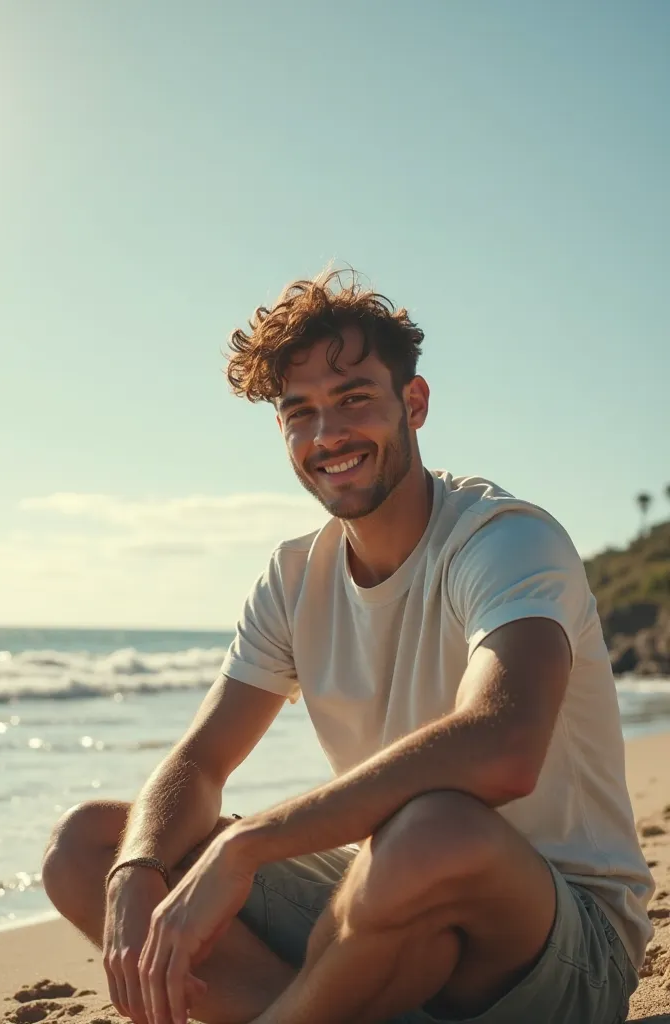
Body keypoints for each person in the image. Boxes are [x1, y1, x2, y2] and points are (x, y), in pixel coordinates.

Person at [42, 270, 653, 1024]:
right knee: (90, 845)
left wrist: (249, 846)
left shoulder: (504, 539)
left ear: (414, 404)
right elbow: (200, 764)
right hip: (396, 909)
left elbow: (504, 747)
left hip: (563, 950)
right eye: (301, 413)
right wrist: (136, 870)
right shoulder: (295, 575)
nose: (328, 435)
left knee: (431, 830)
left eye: (354, 399)